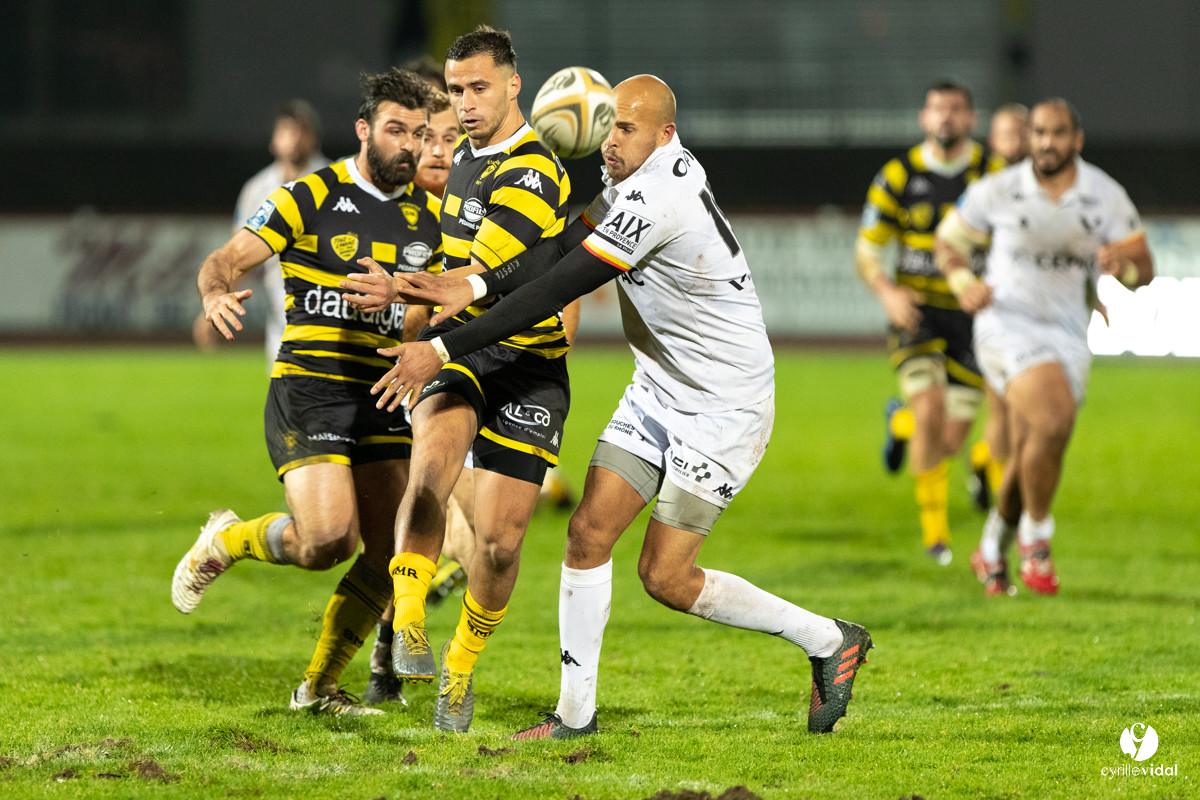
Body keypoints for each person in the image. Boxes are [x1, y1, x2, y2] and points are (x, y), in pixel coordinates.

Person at [359, 74, 873, 739]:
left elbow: (559, 286)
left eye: (625, 129)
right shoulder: (643, 177)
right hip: (660, 388)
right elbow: (563, 245)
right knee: (586, 534)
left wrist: (445, 347)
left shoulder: (660, 198)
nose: (610, 141)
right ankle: (574, 716)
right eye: (608, 127)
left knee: (665, 576)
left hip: (724, 407)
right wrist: (477, 280)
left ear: (665, 134)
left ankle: (829, 640)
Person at [171, 68, 443, 715]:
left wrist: (410, 311)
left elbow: (423, 318)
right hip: (311, 385)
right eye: (396, 130)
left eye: (419, 134)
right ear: (364, 131)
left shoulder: (429, 220)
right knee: (326, 542)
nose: (409, 144)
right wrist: (213, 290)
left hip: (380, 389)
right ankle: (228, 539)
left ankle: (318, 688)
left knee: (387, 550)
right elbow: (227, 260)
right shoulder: (308, 194)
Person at [340, 25, 573, 733]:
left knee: (501, 542)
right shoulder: (463, 160)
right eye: (458, 92)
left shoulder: (534, 171)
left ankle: (461, 666)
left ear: (512, 85)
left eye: (478, 89)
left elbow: (476, 280)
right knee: (429, 473)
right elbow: (447, 272)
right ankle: (408, 620)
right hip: (462, 354)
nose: (466, 105)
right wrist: (411, 297)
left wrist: (404, 288)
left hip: (529, 365)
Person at [935, 98, 1153, 596]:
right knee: (1053, 420)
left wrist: (1127, 268)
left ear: (1076, 139)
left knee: (1040, 440)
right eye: (1038, 133)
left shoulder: (1104, 194)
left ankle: (992, 546)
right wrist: (963, 281)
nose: (1046, 143)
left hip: (1069, 335)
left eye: (1057, 133)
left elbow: (1145, 268)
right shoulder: (999, 190)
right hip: (1004, 325)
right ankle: (1036, 537)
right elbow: (947, 243)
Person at [855, 80, 1007, 564]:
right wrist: (887, 292)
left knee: (947, 439)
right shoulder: (898, 176)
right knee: (931, 409)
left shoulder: (994, 173)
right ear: (924, 117)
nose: (946, 118)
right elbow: (867, 250)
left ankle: (900, 423)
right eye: (938, 109)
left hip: (972, 317)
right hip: (916, 311)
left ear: (971, 119)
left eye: (956, 110)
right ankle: (936, 537)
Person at [192, 100, 328, 365]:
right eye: (287, 131)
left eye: (302, 131)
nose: (295, 139)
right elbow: (239, 255)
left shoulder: (335, 180)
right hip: (282, 318)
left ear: (314, 139)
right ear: (273, 141)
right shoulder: (257, 189)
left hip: (332, 313)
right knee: (287, 402)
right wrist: (217, 302)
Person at [964, 102, 1032, 511]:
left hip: (1039, 311)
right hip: (997, 311)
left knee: (1028, 411)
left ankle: (983, 460)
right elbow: (952, 239)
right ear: (994, 141)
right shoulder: (984, 188)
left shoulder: (1051, 184)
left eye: (1024, 132)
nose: (1018, 140)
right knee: (1005, 407)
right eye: (1009, 133)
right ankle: (1009, 509)